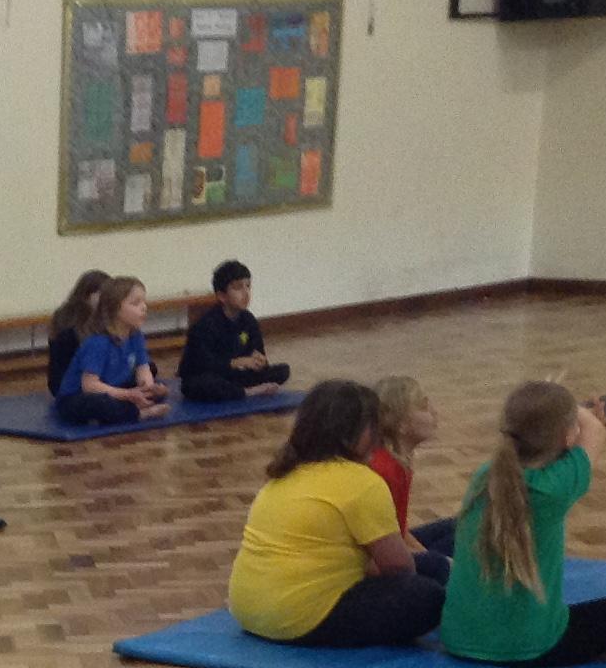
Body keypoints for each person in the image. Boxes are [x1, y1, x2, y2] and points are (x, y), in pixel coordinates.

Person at [441, 381, 606, 668]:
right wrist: (574, 410)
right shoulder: (554, 488)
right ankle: (599, 651)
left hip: (458, 639)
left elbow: (565, 433)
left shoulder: (485, 475)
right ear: (566, 437)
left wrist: (548, 409)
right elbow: (595, 430)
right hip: (530, 648)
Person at [226, 380, 447, 648]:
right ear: (351, 433)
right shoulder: (361, 481)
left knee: (434, 557)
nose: (378, 435)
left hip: (248, 610)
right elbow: (400, 568)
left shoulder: (285, 472)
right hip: (300, 618)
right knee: (428, 594)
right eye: (372, 426)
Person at [53, 276, 168, 428]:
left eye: (144, 302)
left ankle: (132, 408)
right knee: (101, 404)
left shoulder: (136, 335)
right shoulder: (98, 342)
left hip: (113, 388)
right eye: (135, 303)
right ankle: (140, 413)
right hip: (79, 396)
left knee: (160, 390)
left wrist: (149, 390)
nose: (144, 307)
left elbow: (143, 368)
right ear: (114, 309)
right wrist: (128, 394)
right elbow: (90, 386)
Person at [178, 259, 292, 404]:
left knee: (283, 370)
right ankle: (249, 392)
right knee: (201, 384)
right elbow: (202, 365)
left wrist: (261, 362)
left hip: (237, 375)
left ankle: (240, 388)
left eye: (248, 286)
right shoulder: (205, 325)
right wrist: (235, 363)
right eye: (238, 288)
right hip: (208, 375)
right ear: (222, 296)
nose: (246, 293)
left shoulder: (249, 320)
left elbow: (257, 353)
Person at [369, 375, 458, 555]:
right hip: (382, 556)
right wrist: (435, 561)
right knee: (460, 542)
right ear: (401, 425)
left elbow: (399, 530)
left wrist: (427, 554)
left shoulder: (396, 461)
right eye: (424, 407)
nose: (434, 412)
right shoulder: (385, 470)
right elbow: (385, 543)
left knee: (459, 528)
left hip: (392, 541)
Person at [43, 269, 109, 397]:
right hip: (72, 385)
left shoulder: (64, 314)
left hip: (64, 383)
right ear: (88, 295)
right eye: (103, 294)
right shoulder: (74, 324)